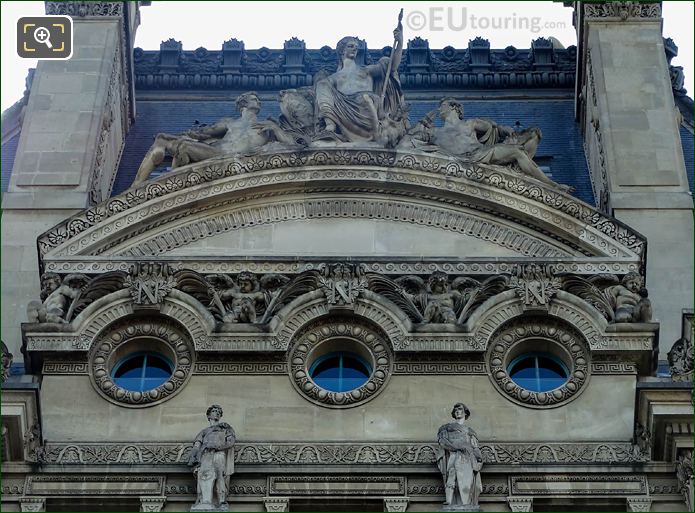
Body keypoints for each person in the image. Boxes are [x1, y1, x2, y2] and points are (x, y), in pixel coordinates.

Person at [132, 92, 297, 186]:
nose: (259, 101)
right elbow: (203, 133)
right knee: (176, 144)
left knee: (182, 147)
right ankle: (138, 186)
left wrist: (275, 129)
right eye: (254, 99)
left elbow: (292, 145)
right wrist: (183, 136)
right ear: (243, 105)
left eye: (258, 99)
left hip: (244, 159)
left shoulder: (267, 125)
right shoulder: (229, 123)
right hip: (217, 154)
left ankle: (176, 180)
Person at [314, 17, 405, 143]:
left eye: (356, 47)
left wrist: (400, 43)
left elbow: (392, 67)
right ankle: (330, 124)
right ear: (342, 50)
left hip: (368, 107)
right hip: (344, 110)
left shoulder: (366, 70)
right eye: (350, 46)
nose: (354, 49)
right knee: (321, 84)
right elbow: (324, 91)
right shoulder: (332, 79)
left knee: (384, 63)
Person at [188, 405, 236, 512]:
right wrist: (193, 457)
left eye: (219, 412)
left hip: (219, 454)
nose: (217, 413)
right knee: (204, 475)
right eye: (214, 411)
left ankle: (222, 501)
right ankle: (204, 501)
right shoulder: (204, 431)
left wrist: (218, 447)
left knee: (220, 476)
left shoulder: (225, 428)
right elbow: (197, 445)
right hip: (205, 454)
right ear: (209, 415)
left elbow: (231, 442)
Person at [436, 403, 483, 509]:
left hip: (467, 459)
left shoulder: (470, 432)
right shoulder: (446, 428)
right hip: (454, 456)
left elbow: (475, 447)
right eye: (456, 409)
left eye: (460, 409)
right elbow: (443, 442)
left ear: (465, 412)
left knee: (466, 483)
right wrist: (456, 447)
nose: (457, 411)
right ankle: (449, 501)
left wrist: (479, 460)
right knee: (451, 476)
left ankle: (465, 503)